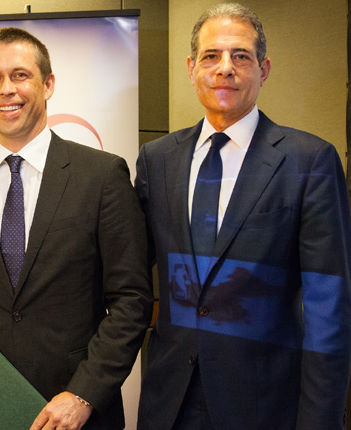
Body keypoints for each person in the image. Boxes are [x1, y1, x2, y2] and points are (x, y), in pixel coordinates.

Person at [0, 27, 153, 430]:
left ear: (48, 85)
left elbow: (131, 299)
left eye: (20, 75)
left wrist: (84, 394)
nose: (6, 89)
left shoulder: (101, 175)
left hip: (73, 410)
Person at [135, 4, 351, 429]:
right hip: (169, 402)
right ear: (191, 68)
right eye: (211, 56)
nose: (225, 68)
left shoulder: (310, 160)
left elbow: (328, 309)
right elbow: (130, 276)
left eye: (240, 56)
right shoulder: (157, 159)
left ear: (263, 69)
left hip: (264, 405)